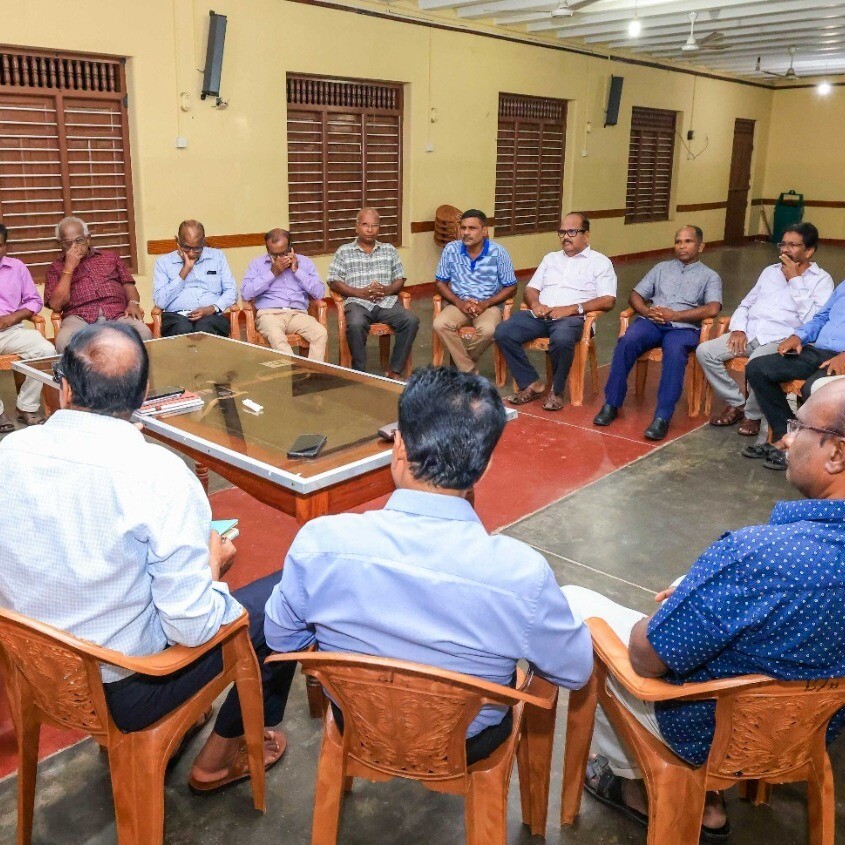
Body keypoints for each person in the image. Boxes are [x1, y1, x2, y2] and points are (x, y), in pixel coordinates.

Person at [0, 323, 294, 793]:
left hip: (39, 673)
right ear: (144, 395)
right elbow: (192, 627)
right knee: (287, 597)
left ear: (65, 387)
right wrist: (211, 567)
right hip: (130, 688)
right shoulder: (158, 474)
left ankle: (182, 724)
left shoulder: (10, 452)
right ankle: (218, 759)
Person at [564, 378, 845, 840]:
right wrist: (703, 591)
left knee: (575, 605)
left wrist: (683, 601)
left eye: (798, 427)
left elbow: (645, 658)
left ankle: (636, 784)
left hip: (705, 732)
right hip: (811, 731)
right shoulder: (768, 560)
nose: (785, 438)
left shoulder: (757, 556)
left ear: (836, 454)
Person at [265, 366, 593, 760]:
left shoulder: (319, 544)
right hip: (465, 743)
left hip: (359, 724)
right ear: (485, 466)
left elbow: (281, 639)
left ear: (398, 446)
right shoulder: (522, 575)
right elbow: (574, 670)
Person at [697, 222, 832, 437]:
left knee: (758, 365)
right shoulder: (770, 271)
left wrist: (795, 280)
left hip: (782, 339)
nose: (785, 250)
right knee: (705, 351)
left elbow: (814, 321)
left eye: (793, 245)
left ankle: (752, 415)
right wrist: (739, 329)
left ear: (809, 251)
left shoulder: (821, 280)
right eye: (783, 244)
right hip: (751, 332)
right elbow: (746, 304)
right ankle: (737, 403)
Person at [594, 226, 722, 441]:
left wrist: (677, 315)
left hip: (684, 327)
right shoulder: (661, 268)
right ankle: (611, 404)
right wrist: (647, 312)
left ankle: (662, 416)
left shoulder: (710, 276)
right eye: (678, 241)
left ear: (701, 246)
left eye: (688, 241)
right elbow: (635, 295)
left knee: (674, 352)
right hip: (652, 322)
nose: (682, 246)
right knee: (627, 341)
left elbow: (713, 308)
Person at [495, 212, 616, 411]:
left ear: (586, 235)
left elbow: (608, 300)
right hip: (542, 315)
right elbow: (531, 289)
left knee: (561, 338)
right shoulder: (550, 259)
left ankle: (557, 390)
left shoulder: (600, 262)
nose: (566, 237)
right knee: (504, 331)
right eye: (562, 232)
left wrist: (572, 309)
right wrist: (535, 305)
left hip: (574, 319)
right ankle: (531, 383)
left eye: (572, 232)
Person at [744, 280, 845, 471]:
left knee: (813, 388)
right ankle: (785, 435)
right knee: (757, 368)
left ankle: (805, 450)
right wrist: (798, 336)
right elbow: (822, 317)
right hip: (820, 351)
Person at [327, 208, 419, 378]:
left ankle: (394, 370)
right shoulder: (344, 251)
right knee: (356, 324)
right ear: (356, 227)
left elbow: (400, 279)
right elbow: (333, 281)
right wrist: (358, 292)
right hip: (357, 303)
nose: (369, 230)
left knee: (410, 320)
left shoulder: (389, 250)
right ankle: (359, 372)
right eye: (365, 225)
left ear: (379, 228)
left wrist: (386, 290)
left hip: (386, 303)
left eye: (374, 225)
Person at [45, 216, 152, 351]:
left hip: (117, 314)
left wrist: (133, 303)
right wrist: (68, 269)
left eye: (79, 240)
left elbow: (128, 285)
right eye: (68, 243)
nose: (74, 247)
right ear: (60, 244)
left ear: (88, 239)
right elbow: (56, 305)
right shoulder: (55, 268)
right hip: (79, 318)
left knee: (144, 333)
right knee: (64, 342)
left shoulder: (110, 258)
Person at [432, 209, 517, 375]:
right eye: (463, 228)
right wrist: (459, 303)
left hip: (488, 304)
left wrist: (485, 303)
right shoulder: (451, 249)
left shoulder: (499, 252)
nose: (466, 232)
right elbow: (440, 282)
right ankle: (469, 370)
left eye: (472, 228)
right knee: (440, 324)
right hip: (459, 303)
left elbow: (512, 287)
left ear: (484, 231)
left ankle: (459, 366)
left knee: (489, 330)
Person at [241, 228, 327, 361]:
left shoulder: (305, 262)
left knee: (320, 333)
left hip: (298, 314)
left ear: (291, 248)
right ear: (267, 250)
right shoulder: (257, 264)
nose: (279, 259)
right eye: (274, 255)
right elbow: (246, 293)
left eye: (283, 253)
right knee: (277, 337)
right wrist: (272, 273)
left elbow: (319, 292)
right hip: (269, 315)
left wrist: (297, 271)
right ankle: (293, 371)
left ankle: (312, 371)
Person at [0, 224, 55, 430]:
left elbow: (34, 301)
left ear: (5, 246)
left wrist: (12, 318)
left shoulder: (17, 267)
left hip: (11, 331)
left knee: (46, 350)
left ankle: (26, 407)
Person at [153, 220, 237, 337]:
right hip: (176, 317)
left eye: (197, 248)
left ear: (203, 242)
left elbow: (231, 291)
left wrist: (212, 308)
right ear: (177, 241)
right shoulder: (163, 263)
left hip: (211, 316)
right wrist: (185, 270)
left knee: (204, 329)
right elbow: (160, 302)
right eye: (186, 248)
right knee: (183, 329)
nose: (192, 254)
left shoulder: (217, 257)